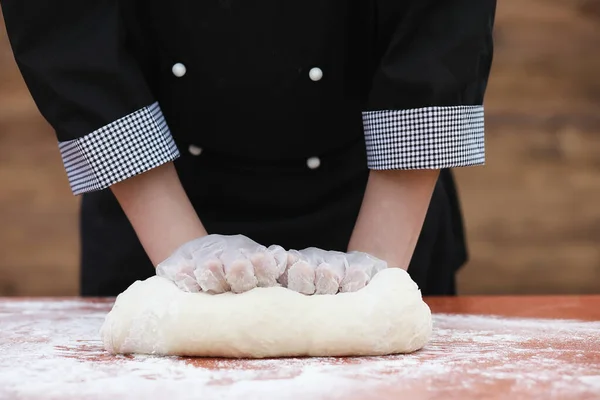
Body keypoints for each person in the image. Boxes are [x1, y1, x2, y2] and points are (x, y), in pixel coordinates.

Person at [1, 0, 496, 297]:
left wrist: (376, 283)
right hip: (151, 205)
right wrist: (183, 254)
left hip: (377, 197)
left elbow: (441, 26)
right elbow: (63, 26)